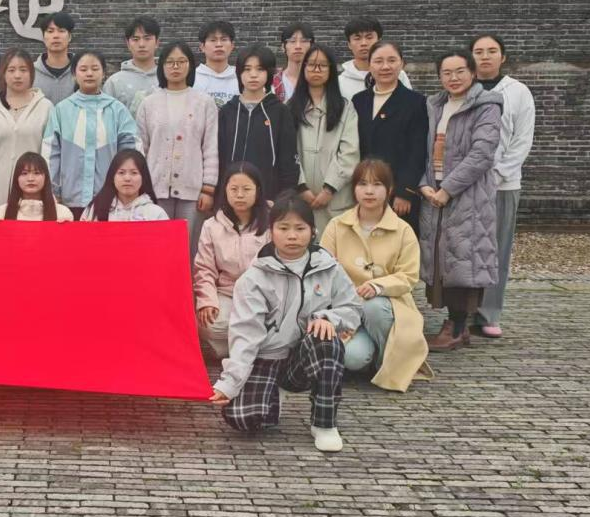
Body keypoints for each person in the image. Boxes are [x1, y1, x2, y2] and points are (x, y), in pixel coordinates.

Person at [208, 194, 361, 453]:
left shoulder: (329, 267)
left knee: (327, 340)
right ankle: (274, 395)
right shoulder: (254, 278)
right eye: (284, 228)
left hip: (306, 356)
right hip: (268, 356)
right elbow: (245, 335)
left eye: (300, 228)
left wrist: (329, 318)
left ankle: (324, 424)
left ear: (313, 231)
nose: (292, 236)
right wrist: (230, 383)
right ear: (271, 232)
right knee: (242, 418)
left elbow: (354, 308)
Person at [418, 49, 503, 352]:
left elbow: (482, 154)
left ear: (473, 73)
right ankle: (457, 326)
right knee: (441, 257)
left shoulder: (487, 106)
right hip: (434, 191)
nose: (453, 78)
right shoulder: (434, 105)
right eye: (446, 73)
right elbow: (422, 150)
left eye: (459, 71)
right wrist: (424, 184)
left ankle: (456, 326)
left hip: (468, 194)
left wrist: (448, 189)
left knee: (464, 257)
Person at [321, 159, 430, 392]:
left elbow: (409, 276)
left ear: (389, 190)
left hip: (388, 308)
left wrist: (378, 286)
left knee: (374, 307)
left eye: (377, 184)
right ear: (354, 189)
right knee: (353, 358)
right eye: (362, 184)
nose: (369, 191)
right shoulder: (336, 226)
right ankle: (369, 355)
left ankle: (388, 364)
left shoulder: (403, 230)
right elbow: (323, 271)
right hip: (346, 307)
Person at [469, 33, 535, 339]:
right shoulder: (462, 87)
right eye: (479, 51)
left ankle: (489, 313)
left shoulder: (518, 92)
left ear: (503, 57)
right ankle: (462, 311)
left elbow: (522, 140)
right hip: (465, 185)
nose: (485, 56)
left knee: (496, 249)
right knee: (466, 249)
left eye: (491, 51)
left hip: (502, 184)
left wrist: (497, 175)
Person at [136, 41, 218, 256]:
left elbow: (210, 147)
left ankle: (187, 280)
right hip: (155, 188)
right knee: (156, 247)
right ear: (161, 66)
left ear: (190, 65)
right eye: (170, 62)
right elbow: (141, 149)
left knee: (188, 247)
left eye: (181, 61)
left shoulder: (204, 102)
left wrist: (208, 188)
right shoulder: (148, 103)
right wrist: (141, 186)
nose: (175, 67)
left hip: (193, 190)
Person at [43, 51, 139, 219]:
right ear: (74, 74)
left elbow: (132, 152)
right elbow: (51, 154)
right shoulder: (61, 110)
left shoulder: (117, 110)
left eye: (95, 69)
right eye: (83, 69)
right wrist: (52, 190)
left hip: (111, 200)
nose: (89, 73)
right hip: (69, 200)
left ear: (104, 73)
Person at [193, 163, 269, 360]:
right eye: (234, 189)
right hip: (227, 294)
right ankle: (254, 347)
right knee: (210, 325)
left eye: (246, 189)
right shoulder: (211, 226)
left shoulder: (272, 223)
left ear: (258, 190)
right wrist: (207, 301)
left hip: (263, 295)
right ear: (225, 190)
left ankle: (232, 350)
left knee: (272, 321)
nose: (240, 195)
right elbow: (204, 269)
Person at [352, 41, 427, 233]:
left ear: (402, 63)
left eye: (392, 60)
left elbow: (418, 150)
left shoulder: (416, 102)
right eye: (378, 61)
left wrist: (405, 191)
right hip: (365, 189)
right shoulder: (358, 101)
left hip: (398, 194)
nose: (385, 66)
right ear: (370, 65)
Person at [289, 43, 360, 234]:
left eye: (322, 65)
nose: (316, 70)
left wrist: (329, 188)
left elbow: (350, 152)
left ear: (331, 70)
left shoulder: (345, 108)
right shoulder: (290, 108)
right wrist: (301, 187)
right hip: (300, 199)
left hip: (336, 200)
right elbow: (287, 153)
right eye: (311, 64)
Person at [217, 45, 300, 202]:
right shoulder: (228, 111)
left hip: (269, 197)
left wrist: (285, 197)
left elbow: (289, 159)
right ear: (239, 73)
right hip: (231, 197)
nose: (253, 75)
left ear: (269, 73)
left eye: (260, 69)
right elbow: (219, 156)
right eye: (247, 69)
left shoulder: (280, 112)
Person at [0, 48, 53, 215]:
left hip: (32, 195)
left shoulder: (45, 107)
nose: (17, 75)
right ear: (3, 74)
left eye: (23, 70)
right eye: (11, 70)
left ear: (32, 73)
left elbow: (50, 153)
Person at [81, 150, 169, 221]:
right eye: (121, 172)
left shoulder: (156, 214)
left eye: (134, 173)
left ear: (143, 177)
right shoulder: (94, 211)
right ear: (112, 177)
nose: (127, 178)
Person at [0, 151, 74, 221]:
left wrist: (66, 228)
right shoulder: (1, 213)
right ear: (16, 178)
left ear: (46, 177)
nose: (30, 179)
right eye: (24, 173)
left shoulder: (62, 213)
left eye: (37, 173)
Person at [339, 19, 411, 99]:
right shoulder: (340, 82)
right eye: (357, 38)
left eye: (369, 37)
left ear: (379, 41)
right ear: (349, 44)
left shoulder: (398, 74)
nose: (364, 43)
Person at [103, 17, 160, 115]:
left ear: (157, 42)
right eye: (135, 39)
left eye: (147, 38)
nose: (141, 44)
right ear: (128, 44)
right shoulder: (114, 82)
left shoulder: (168, 77)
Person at [32, 11, 77, 106]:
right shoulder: (31, 72)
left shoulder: (81, 70)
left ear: (69, 37)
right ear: (43, 37)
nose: (56, 36)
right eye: (50, 31)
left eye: (61, 31)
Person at [192, 20, 239, 108]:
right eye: (213, 40)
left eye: (224, 39)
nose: (219, 44)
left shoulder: (241, 77)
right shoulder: (192, 78)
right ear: (202, 46)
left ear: (232, 45)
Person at [272, 22, 314, 102]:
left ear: (311, 46)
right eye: (292, 41)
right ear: (283, 47)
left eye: (304, 41)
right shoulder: (273, 82)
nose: (298, 46)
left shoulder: (318, 80)